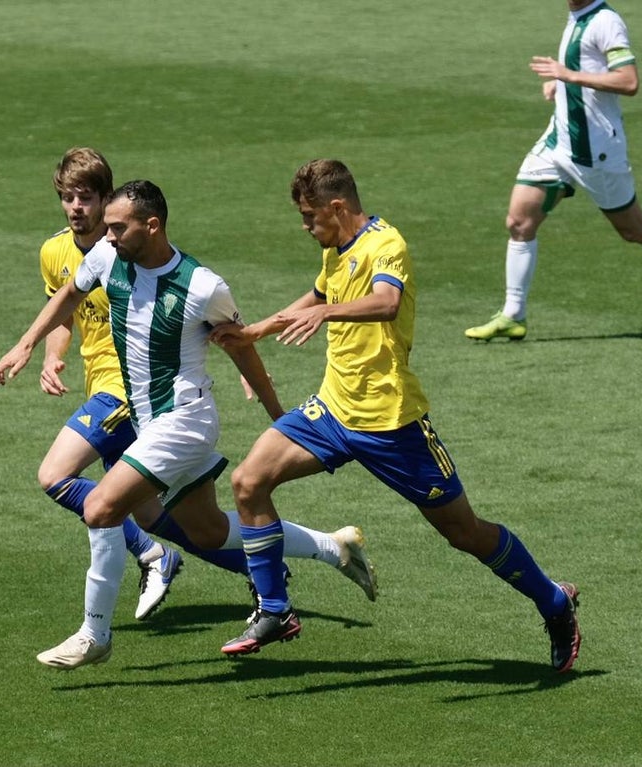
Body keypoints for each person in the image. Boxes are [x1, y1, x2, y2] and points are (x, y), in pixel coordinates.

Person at [212, 159, 581, 672]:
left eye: (309, 215)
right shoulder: (337, 250)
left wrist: (323, 314)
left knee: (464, 533)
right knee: (249, 482)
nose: (304, 226)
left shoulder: (387, 245)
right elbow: (319, 295)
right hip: (333, 410)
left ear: (337, 207)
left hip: (392, 424)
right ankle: (275, 610)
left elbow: (385, 302)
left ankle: (554, 602)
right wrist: (257, 333)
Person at [0, 179, 375, 669]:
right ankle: (334, 546)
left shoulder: (202, 286)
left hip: (185, 421)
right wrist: (28, 343)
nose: (106, 236)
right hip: (151, 420)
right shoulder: (108, 259)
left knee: (102, 509)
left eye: (117, 227)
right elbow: (70, 292)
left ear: (151, 226)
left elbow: (240, 344)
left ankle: (95, 634)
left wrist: (276, 413)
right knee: (208, 532)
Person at [36, 147, 261, 621]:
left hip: (129, 391)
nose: (76, 207)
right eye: (67, 198)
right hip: (113, 391)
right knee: (167, 518)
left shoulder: (131, 250)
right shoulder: (56, 252)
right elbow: (66, 311)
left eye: (86, 198)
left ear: (107, 201)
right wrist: (49, 357)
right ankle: (265, 568)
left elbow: (210, 316)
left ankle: (142, 569)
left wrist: (249, 372)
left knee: (58, 478)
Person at [465, 0, 642, 341]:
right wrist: (562, 85)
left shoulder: (605, 21)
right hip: (558, 142)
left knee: (634, 229)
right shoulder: (577, 15)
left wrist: (568, 75)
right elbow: (585, 66)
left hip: (597, 151)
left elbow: (628, 81)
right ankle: (513, 314)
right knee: (519, 222)